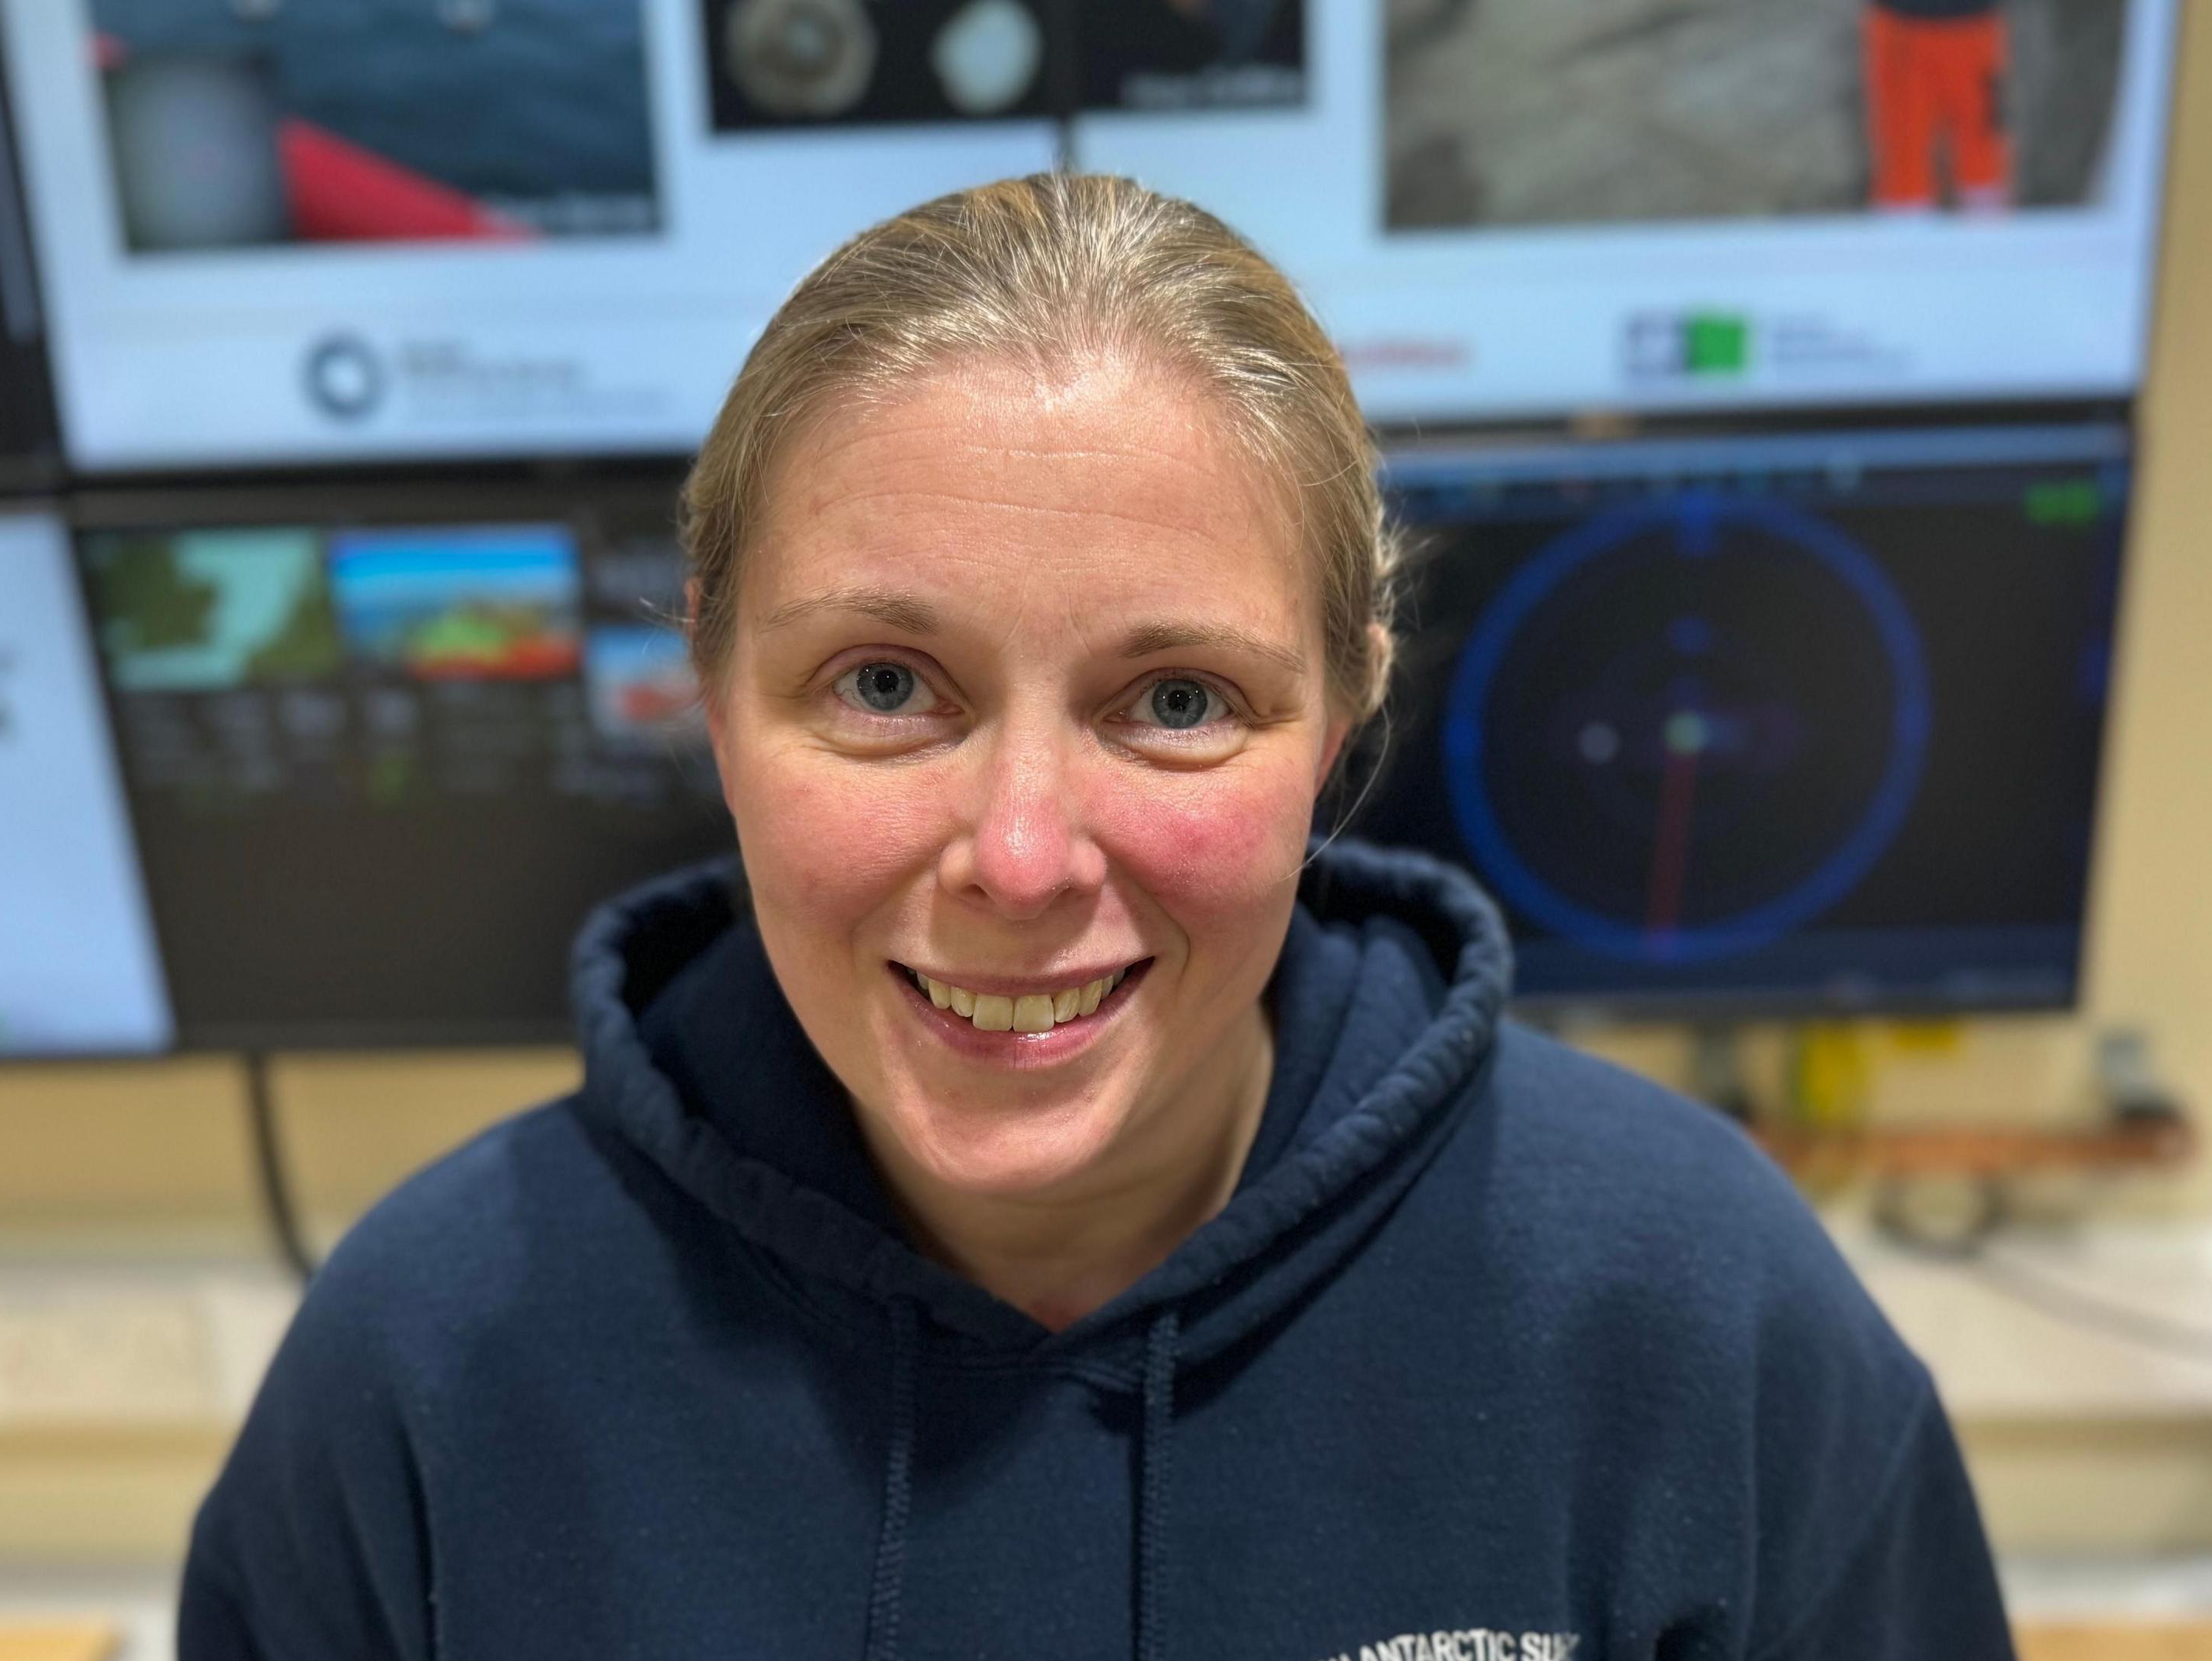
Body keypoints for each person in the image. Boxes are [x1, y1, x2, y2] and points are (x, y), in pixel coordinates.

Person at [178, 173, 2014, 1660]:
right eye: (887, 684)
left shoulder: (1697, 1321)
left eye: (1179, 701)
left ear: (1342, 717)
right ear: (715, 704)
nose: (1025, 854)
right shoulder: (423, 1366)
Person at [1865, 0, 2017, 212]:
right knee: (1903, 154)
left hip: (1976, 28)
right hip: (1901, 28)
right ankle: (1903, 237)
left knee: (1983, 152)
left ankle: (1989, 237)